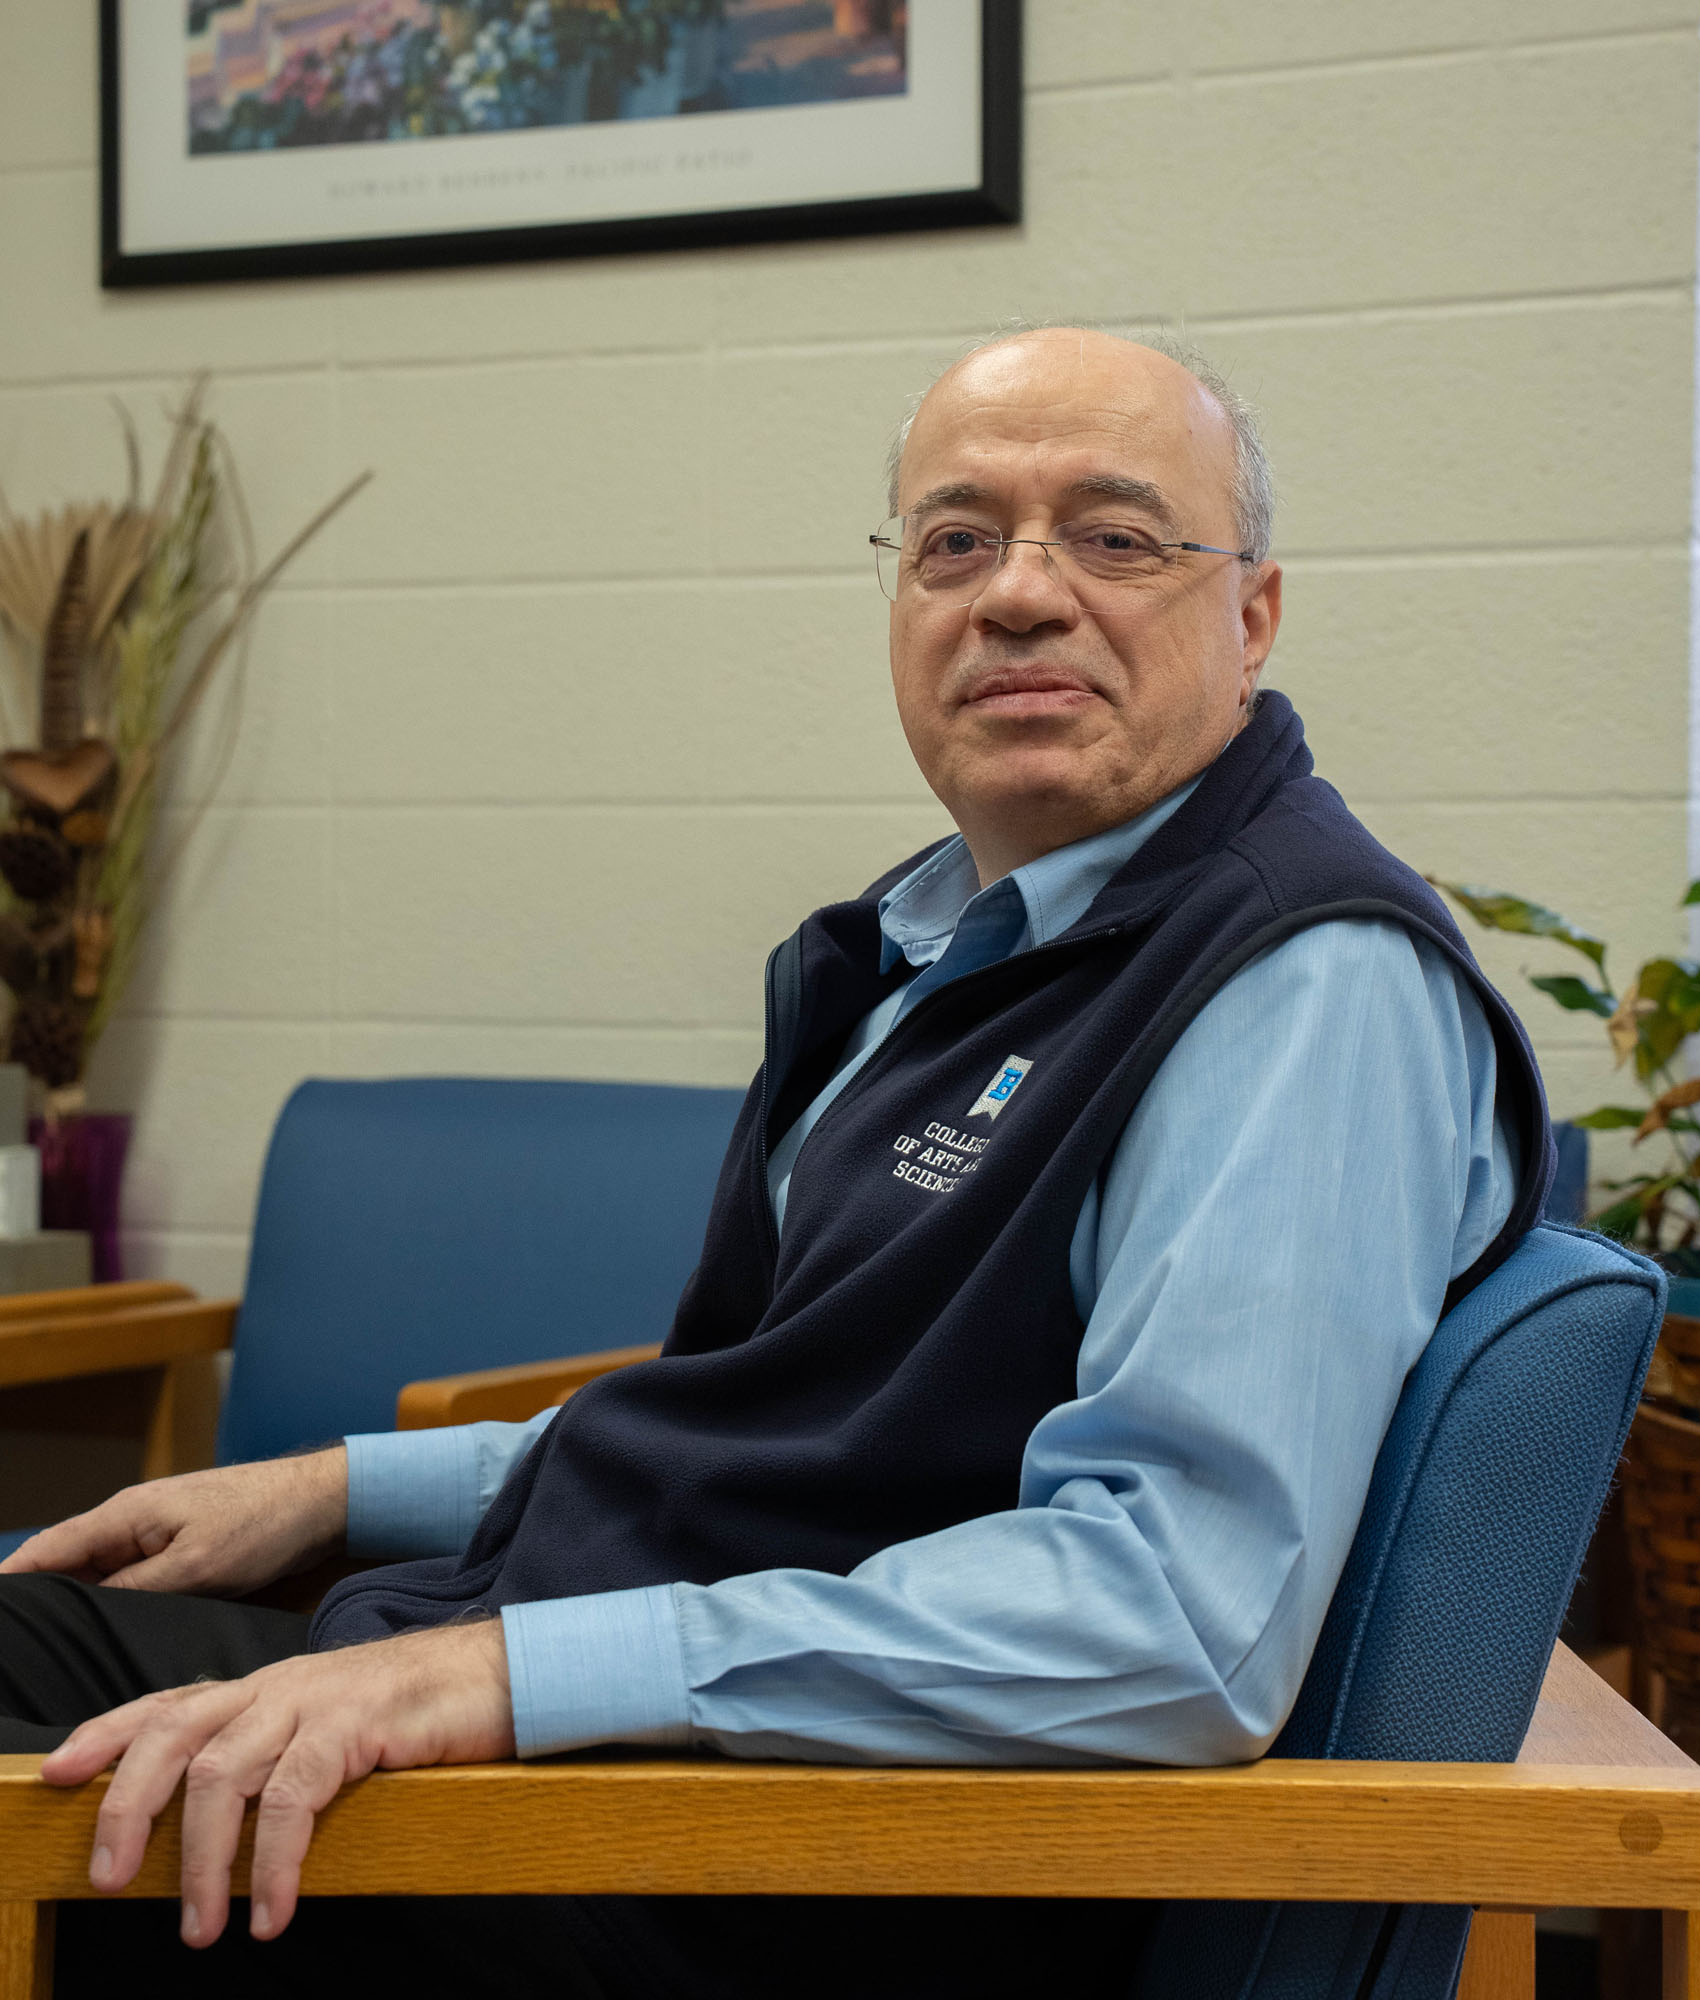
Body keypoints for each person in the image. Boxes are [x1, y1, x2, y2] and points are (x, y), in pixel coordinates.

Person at [0, 326, 1550, 1997]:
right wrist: (334, 1490)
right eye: (955, 541)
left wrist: (495, 1679)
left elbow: (1179, 1621)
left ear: (1250, 616)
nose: (1018, 594)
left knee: (65, 1838)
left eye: (1113, 537)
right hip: (617, 1704)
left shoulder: (1300, 986)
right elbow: (801, 1432)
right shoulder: (948, 937)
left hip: (804, 1864)